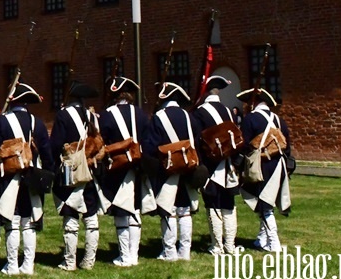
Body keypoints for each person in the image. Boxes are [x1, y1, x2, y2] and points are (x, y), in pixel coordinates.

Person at [0, 83, 52, 276]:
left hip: (7, 178)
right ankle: (28, 265)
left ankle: (12, 265)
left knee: (12, 222)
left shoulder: (2, 122)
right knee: (29, 222)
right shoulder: (36, 123)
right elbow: (46, 153)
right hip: (32, 177)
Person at [99, 77, 153, 267]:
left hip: (117, 167)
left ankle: (124, 256)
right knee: (135, 210)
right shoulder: (140, 114)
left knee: (121, 212)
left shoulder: (106, 115)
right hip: (137, 165)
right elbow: (147, 141)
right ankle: (134, 255)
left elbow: (102, 142)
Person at [146, 82, 201, 262]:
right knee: (184, 211)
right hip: (187, 168)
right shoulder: (189, 116)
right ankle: (184, 251)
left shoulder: (158, 117)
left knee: (168, 210)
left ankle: (169, 252)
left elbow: (151, 146)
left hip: (167, 169)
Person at [50, 81, 102, 271]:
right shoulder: (93, 117)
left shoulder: (63, 115)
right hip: (89, 171)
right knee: (91, 217)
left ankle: (69, 261)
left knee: (70, 215)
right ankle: (89, 261)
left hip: (70, 171)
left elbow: (55, 144)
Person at [238, 87, 291, 253]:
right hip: (279, 164)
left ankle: (274, 243)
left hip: (262, 166)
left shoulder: (250, 119)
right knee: (266, 202)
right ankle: (262, 238)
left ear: (253, 102)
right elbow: (287, 145)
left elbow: (244, 145)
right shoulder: (278, 120)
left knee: (264, 205)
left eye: (249, 102)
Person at [192, 76, 240, 255]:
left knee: (213, 204)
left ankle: (217, 245)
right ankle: (230, 245)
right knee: (228, 205)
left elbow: (198, 141)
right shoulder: (228, 111)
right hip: (227, 165)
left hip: (210, 166)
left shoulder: (199, 112)